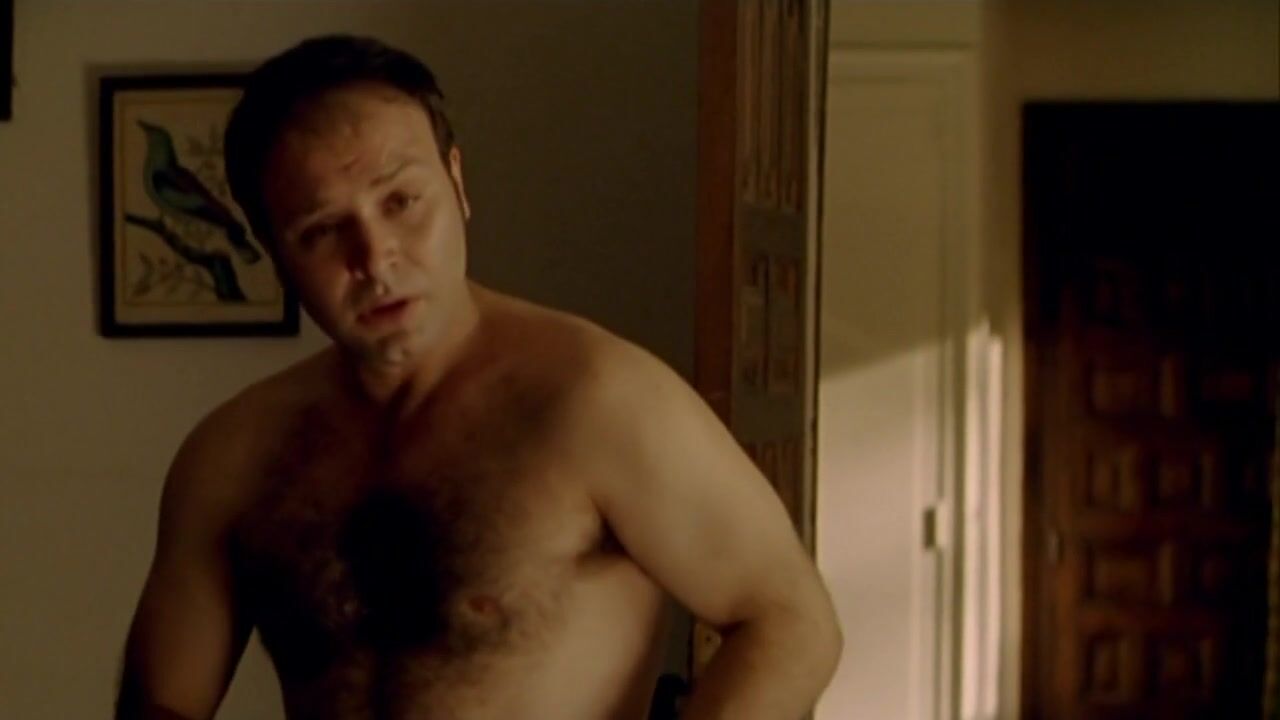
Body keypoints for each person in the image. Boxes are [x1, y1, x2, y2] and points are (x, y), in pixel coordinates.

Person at [115, 34, 842, 720]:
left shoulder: (597, 399)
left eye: (401, 202)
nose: (376, 258)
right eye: (323, 230)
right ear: (275, 252)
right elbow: (162, 705)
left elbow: (791, 622)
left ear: (456, 182)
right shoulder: (233, 456)